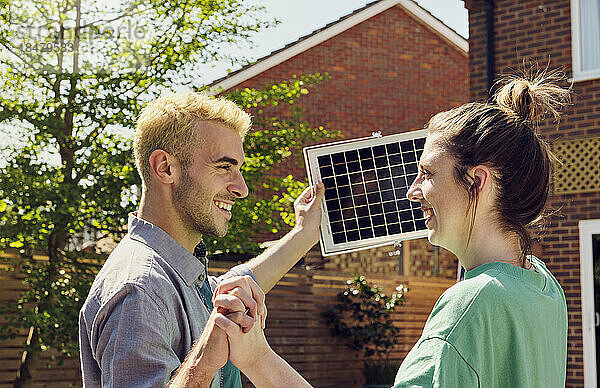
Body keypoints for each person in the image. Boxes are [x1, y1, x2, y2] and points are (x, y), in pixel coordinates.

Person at [209, 73, 570, 387]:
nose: (412, 191)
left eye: (427, 173)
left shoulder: (473, 303)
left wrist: (256, 357)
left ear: (477, 181)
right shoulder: (543, 286)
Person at [78, 91, 324, 388]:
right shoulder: (140, 289)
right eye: (224, 167)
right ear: (166, 168)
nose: (242, 188)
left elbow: (231, 286)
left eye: (239, 169)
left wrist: (303, 235)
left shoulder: (180, 274)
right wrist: (203, 361)